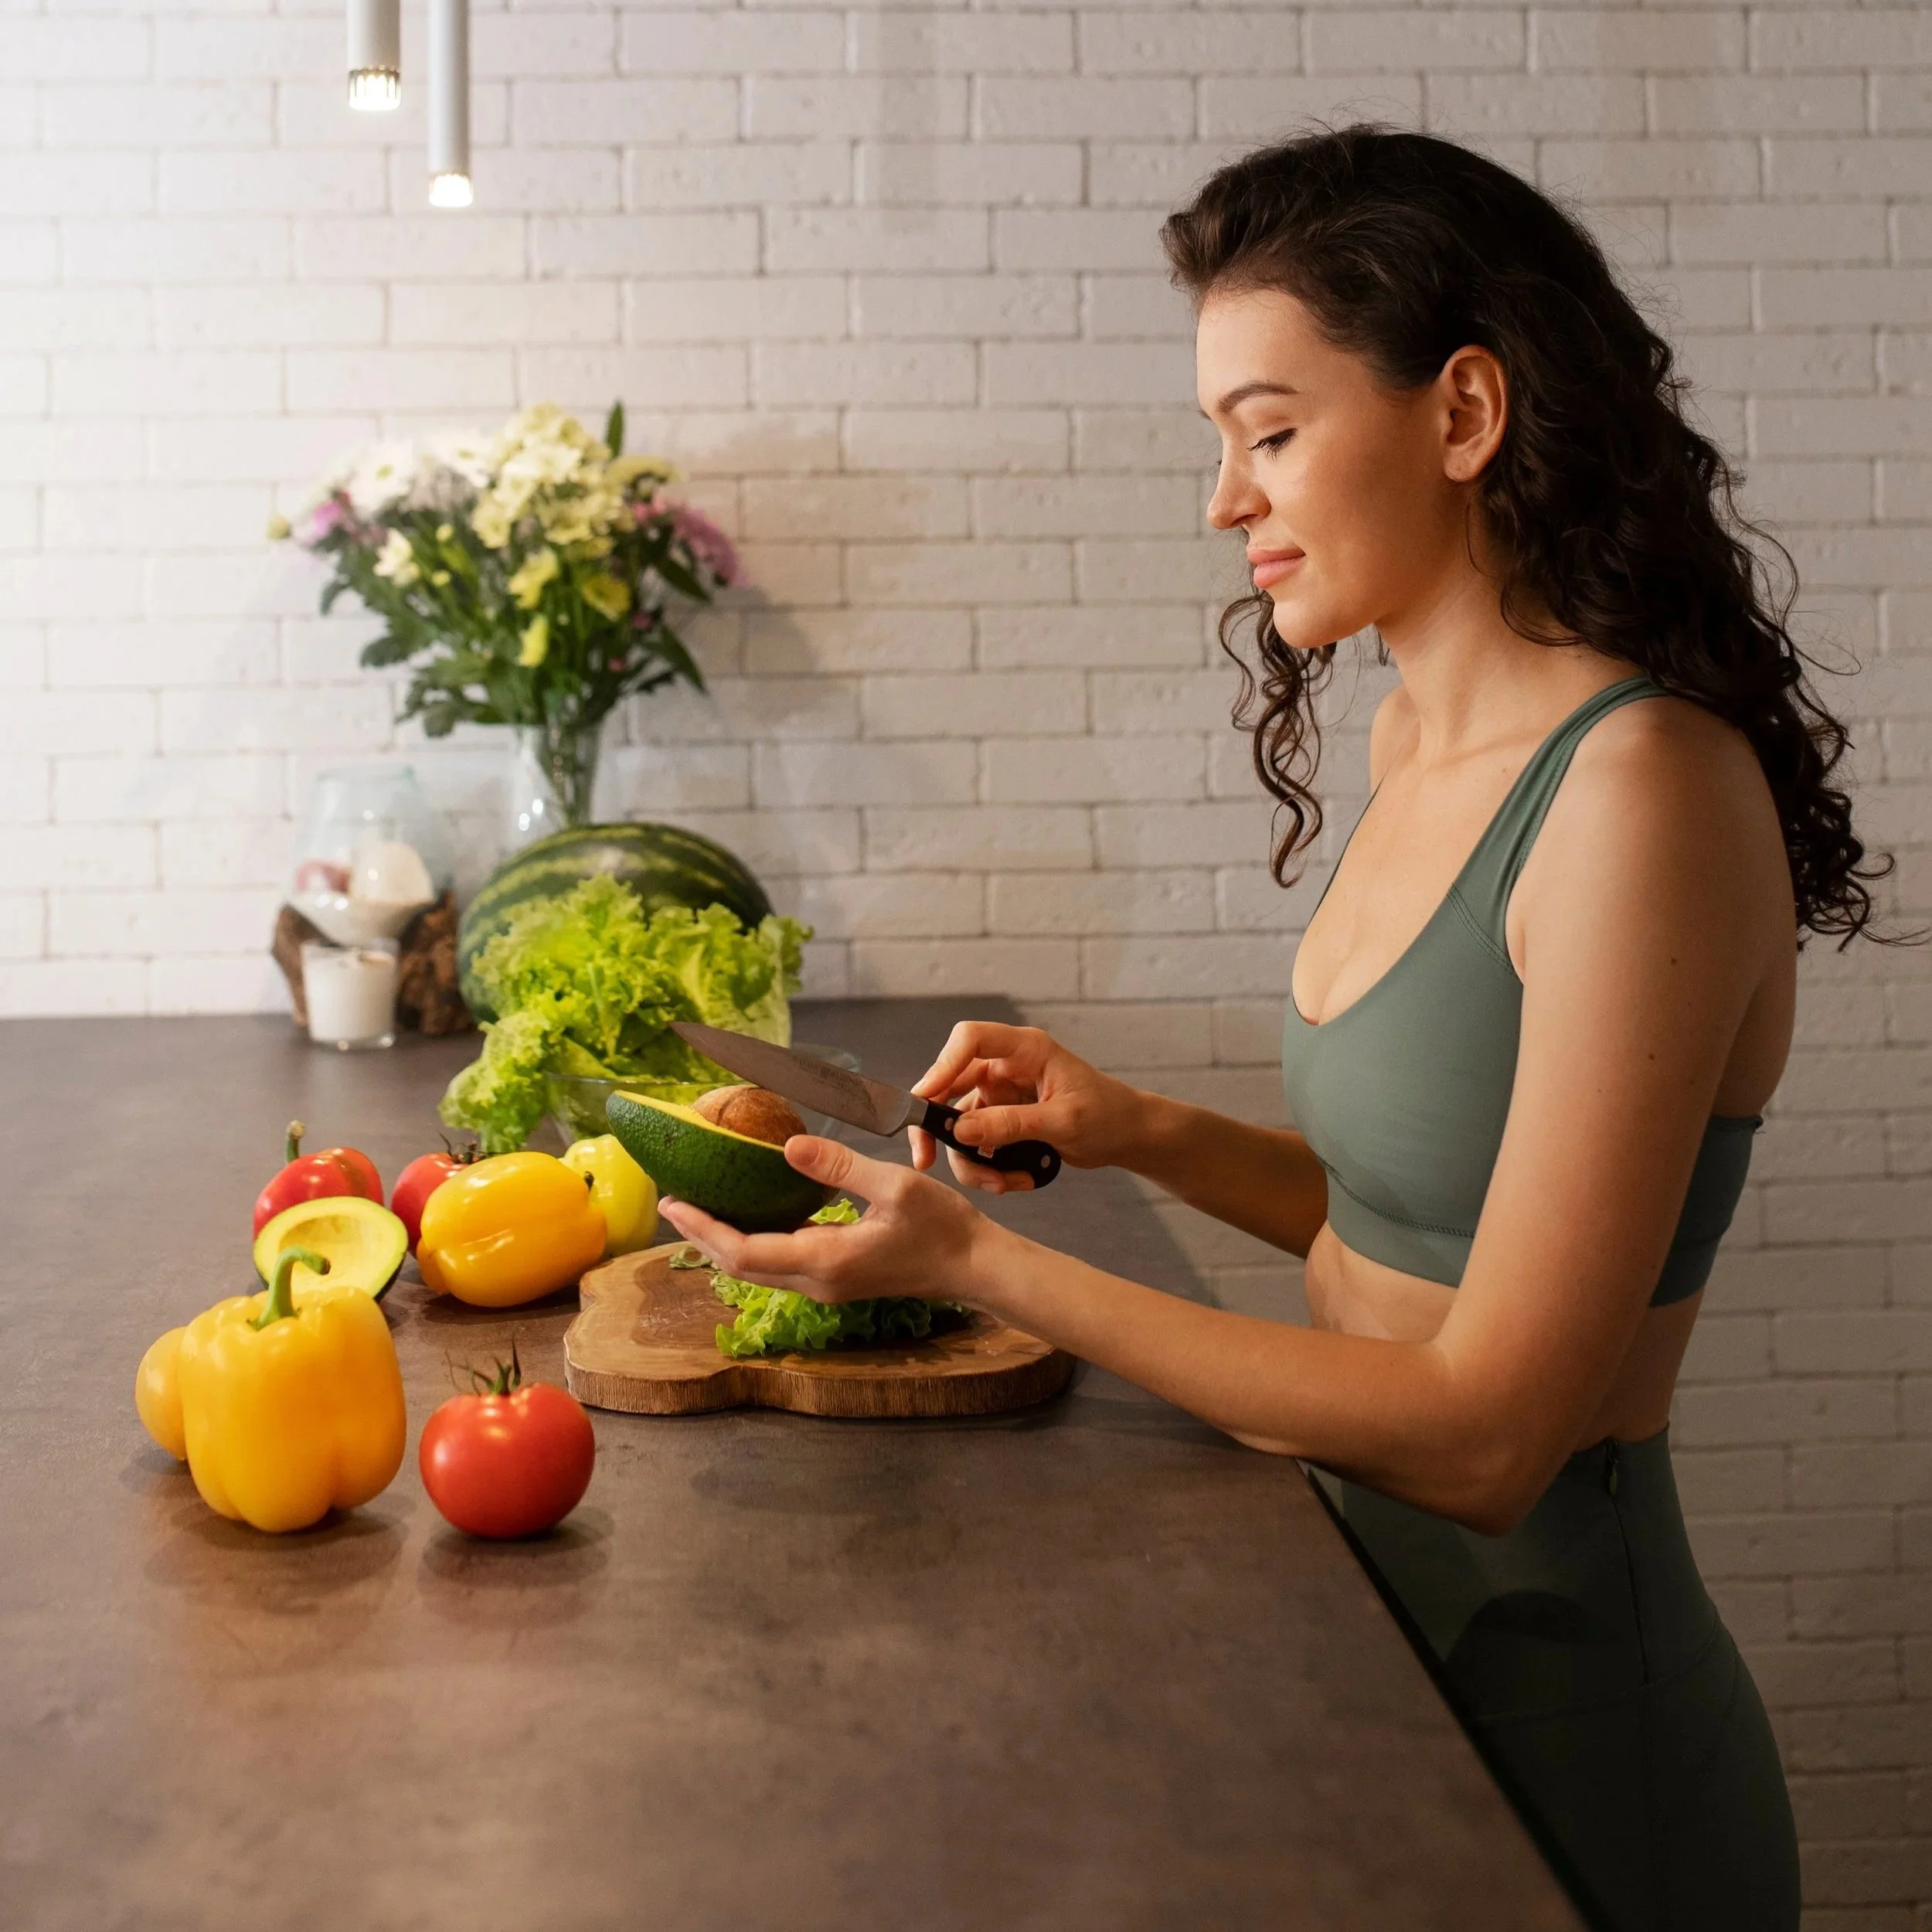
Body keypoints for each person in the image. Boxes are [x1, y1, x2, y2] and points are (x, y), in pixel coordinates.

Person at [661, 126, 1893, 1932]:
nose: (1223, 499)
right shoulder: (1412, 741)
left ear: (1462, 414)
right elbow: (1415, 1219)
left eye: (1269, 428)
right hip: (1364, 1650)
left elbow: (1487, 1432)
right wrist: (1134, 1122)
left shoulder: (1638, 792)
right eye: (1218, 442)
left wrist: (987, 1265)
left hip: (1559, 1715)